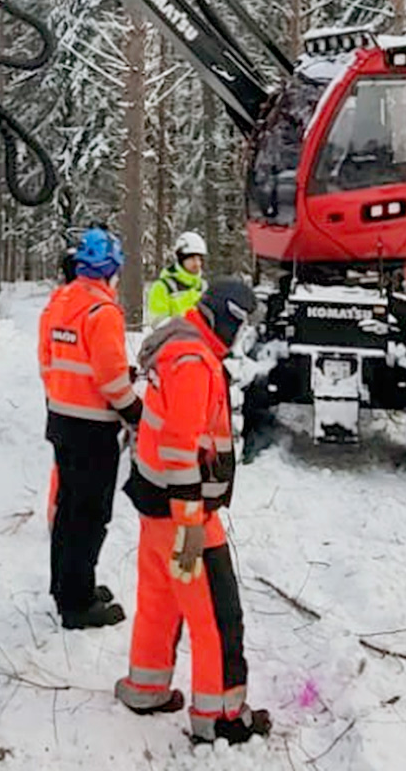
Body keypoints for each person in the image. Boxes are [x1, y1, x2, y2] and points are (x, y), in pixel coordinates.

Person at [115, 277, 273, 747]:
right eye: (240, 328)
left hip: (158, 509)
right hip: (185, 519)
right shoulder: (192, 361)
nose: (239, 339)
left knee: (162, 599)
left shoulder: (180, 346)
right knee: (216, 615)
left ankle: (145, 687)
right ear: (227, 318)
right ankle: (220, 717)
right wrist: (191, 520)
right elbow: (181, 446)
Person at [38, 226, 141, 630]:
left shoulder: (60, 302)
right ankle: (79, 604)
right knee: (90, 516)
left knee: (67, 511)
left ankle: (66, 587)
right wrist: (135, 410)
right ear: (111, 269)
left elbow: (52, 358)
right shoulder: (103, 312)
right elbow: (112, 381)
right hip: (93, 428)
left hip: (61, 418)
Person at [145, 231, 208, 324]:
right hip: (176, 337)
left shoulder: (203, 287)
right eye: (192, 258)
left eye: (199, 259)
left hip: (202, 338)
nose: (197, 263)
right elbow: (158, 323)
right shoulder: (163, 287)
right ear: (181, 259)